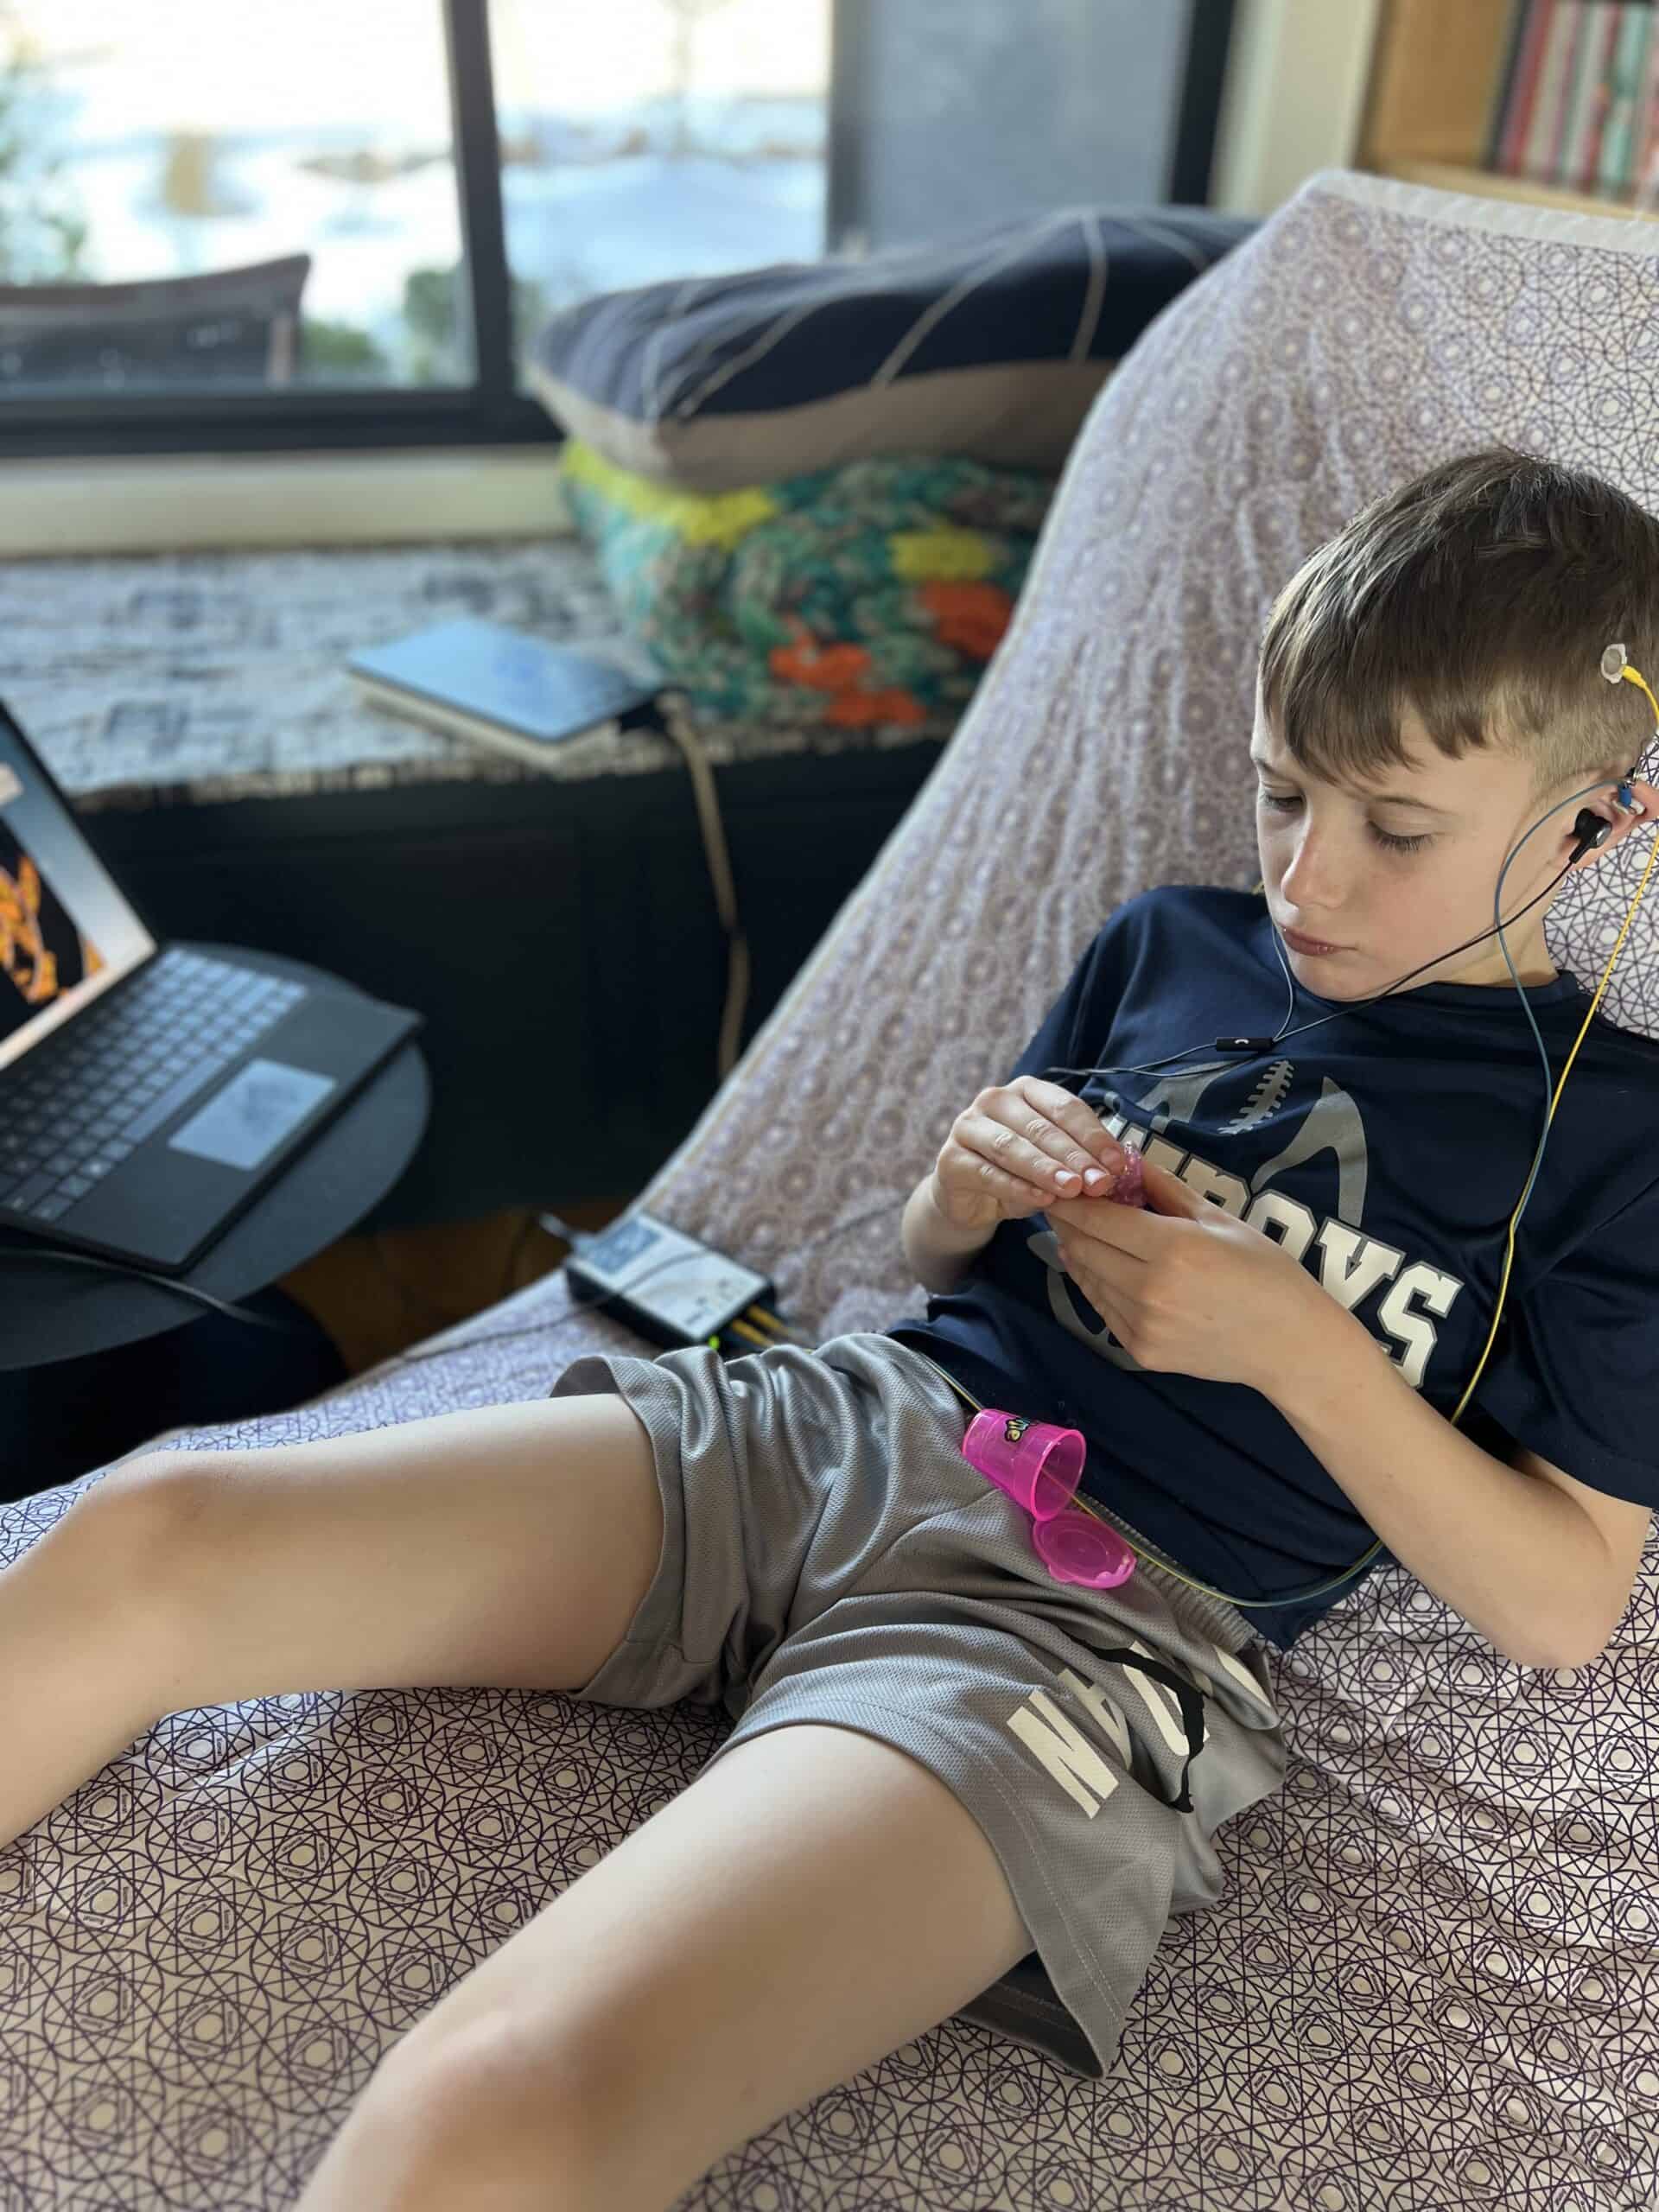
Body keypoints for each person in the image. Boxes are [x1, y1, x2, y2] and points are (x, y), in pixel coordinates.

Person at [3, 443, 1658, 2212]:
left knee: (512, 2096)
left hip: (1098, 1630)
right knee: (151, 1531)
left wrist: (1299, 1347)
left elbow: (1563, 1598)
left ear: (1598, 818)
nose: (1305, 879)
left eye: (1393, 829)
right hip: (846, 1420)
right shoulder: (1164, 945)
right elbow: (935, 1265)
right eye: (1277, 794)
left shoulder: (1614, 1138)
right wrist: (962, 1184)